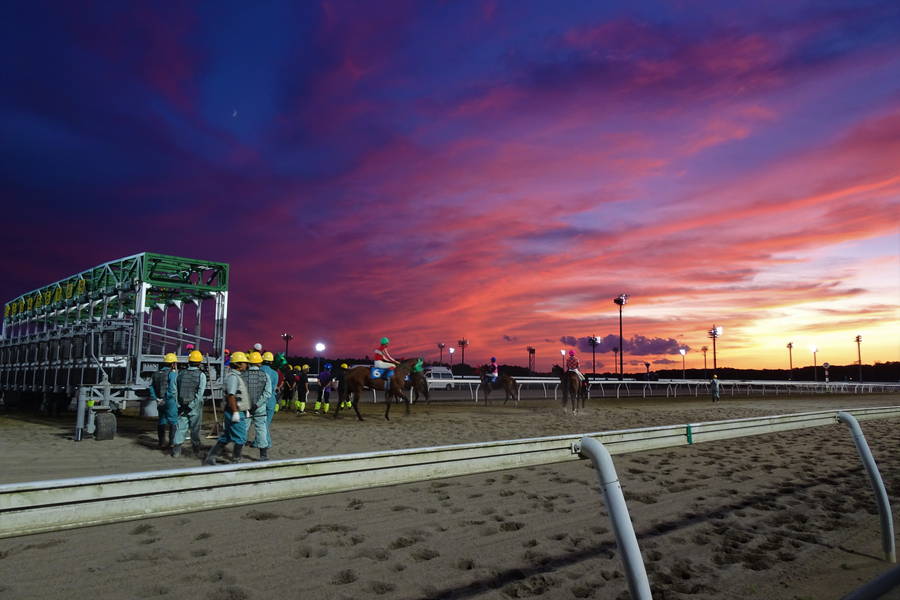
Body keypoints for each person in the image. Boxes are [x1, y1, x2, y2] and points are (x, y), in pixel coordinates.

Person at [204, 351, 251, 465]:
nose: (246, 364)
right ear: (238, 364)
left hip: (237, 411)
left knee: (227, 436)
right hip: (234, 412)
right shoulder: (233, 377)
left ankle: (211, 457)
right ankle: (236, 460)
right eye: (244, 362)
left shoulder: (236, 376)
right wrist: (235, 412)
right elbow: (231, 395)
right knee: (241, 437)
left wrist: (246, 409)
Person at [171, 350, 207, 457]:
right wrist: (191, 405)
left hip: (181, 406)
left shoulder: (180, 373)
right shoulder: (201, 375)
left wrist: (179, 404)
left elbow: (174, 390)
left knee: (180, 428)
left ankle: (176, 451)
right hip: (195, 407)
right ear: (200, 362)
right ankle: (196, 451)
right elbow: (200, 394)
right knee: (195, 429)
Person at [245, 351, 274, 460]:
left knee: (243, 428)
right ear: (259, 363)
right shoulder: (265, 375)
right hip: (260, 408)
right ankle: (263, 455)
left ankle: (236, 454)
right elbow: (267, 393)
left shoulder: (243, 375)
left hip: (247, 407)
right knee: (261, 429)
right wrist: (257, 405)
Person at [149, 353, 178, 450]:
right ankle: (171, 443)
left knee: (162, 420)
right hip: (169, 401)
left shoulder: (156, 374)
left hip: (159, 401)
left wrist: (156, 398)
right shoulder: (172, 374)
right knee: (173, 421)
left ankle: (161, 443)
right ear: (173, 364)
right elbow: (172, 389)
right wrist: (166, 399)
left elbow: (151, 387)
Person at [259, 352, 280, 451]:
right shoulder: (275, 373)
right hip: (271, 399)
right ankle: (261, 441)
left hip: (260, 400)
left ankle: (266, 441)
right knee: (266, 423)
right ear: (271, 362)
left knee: (261, 423)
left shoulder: (258, 371)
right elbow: (274, 388)